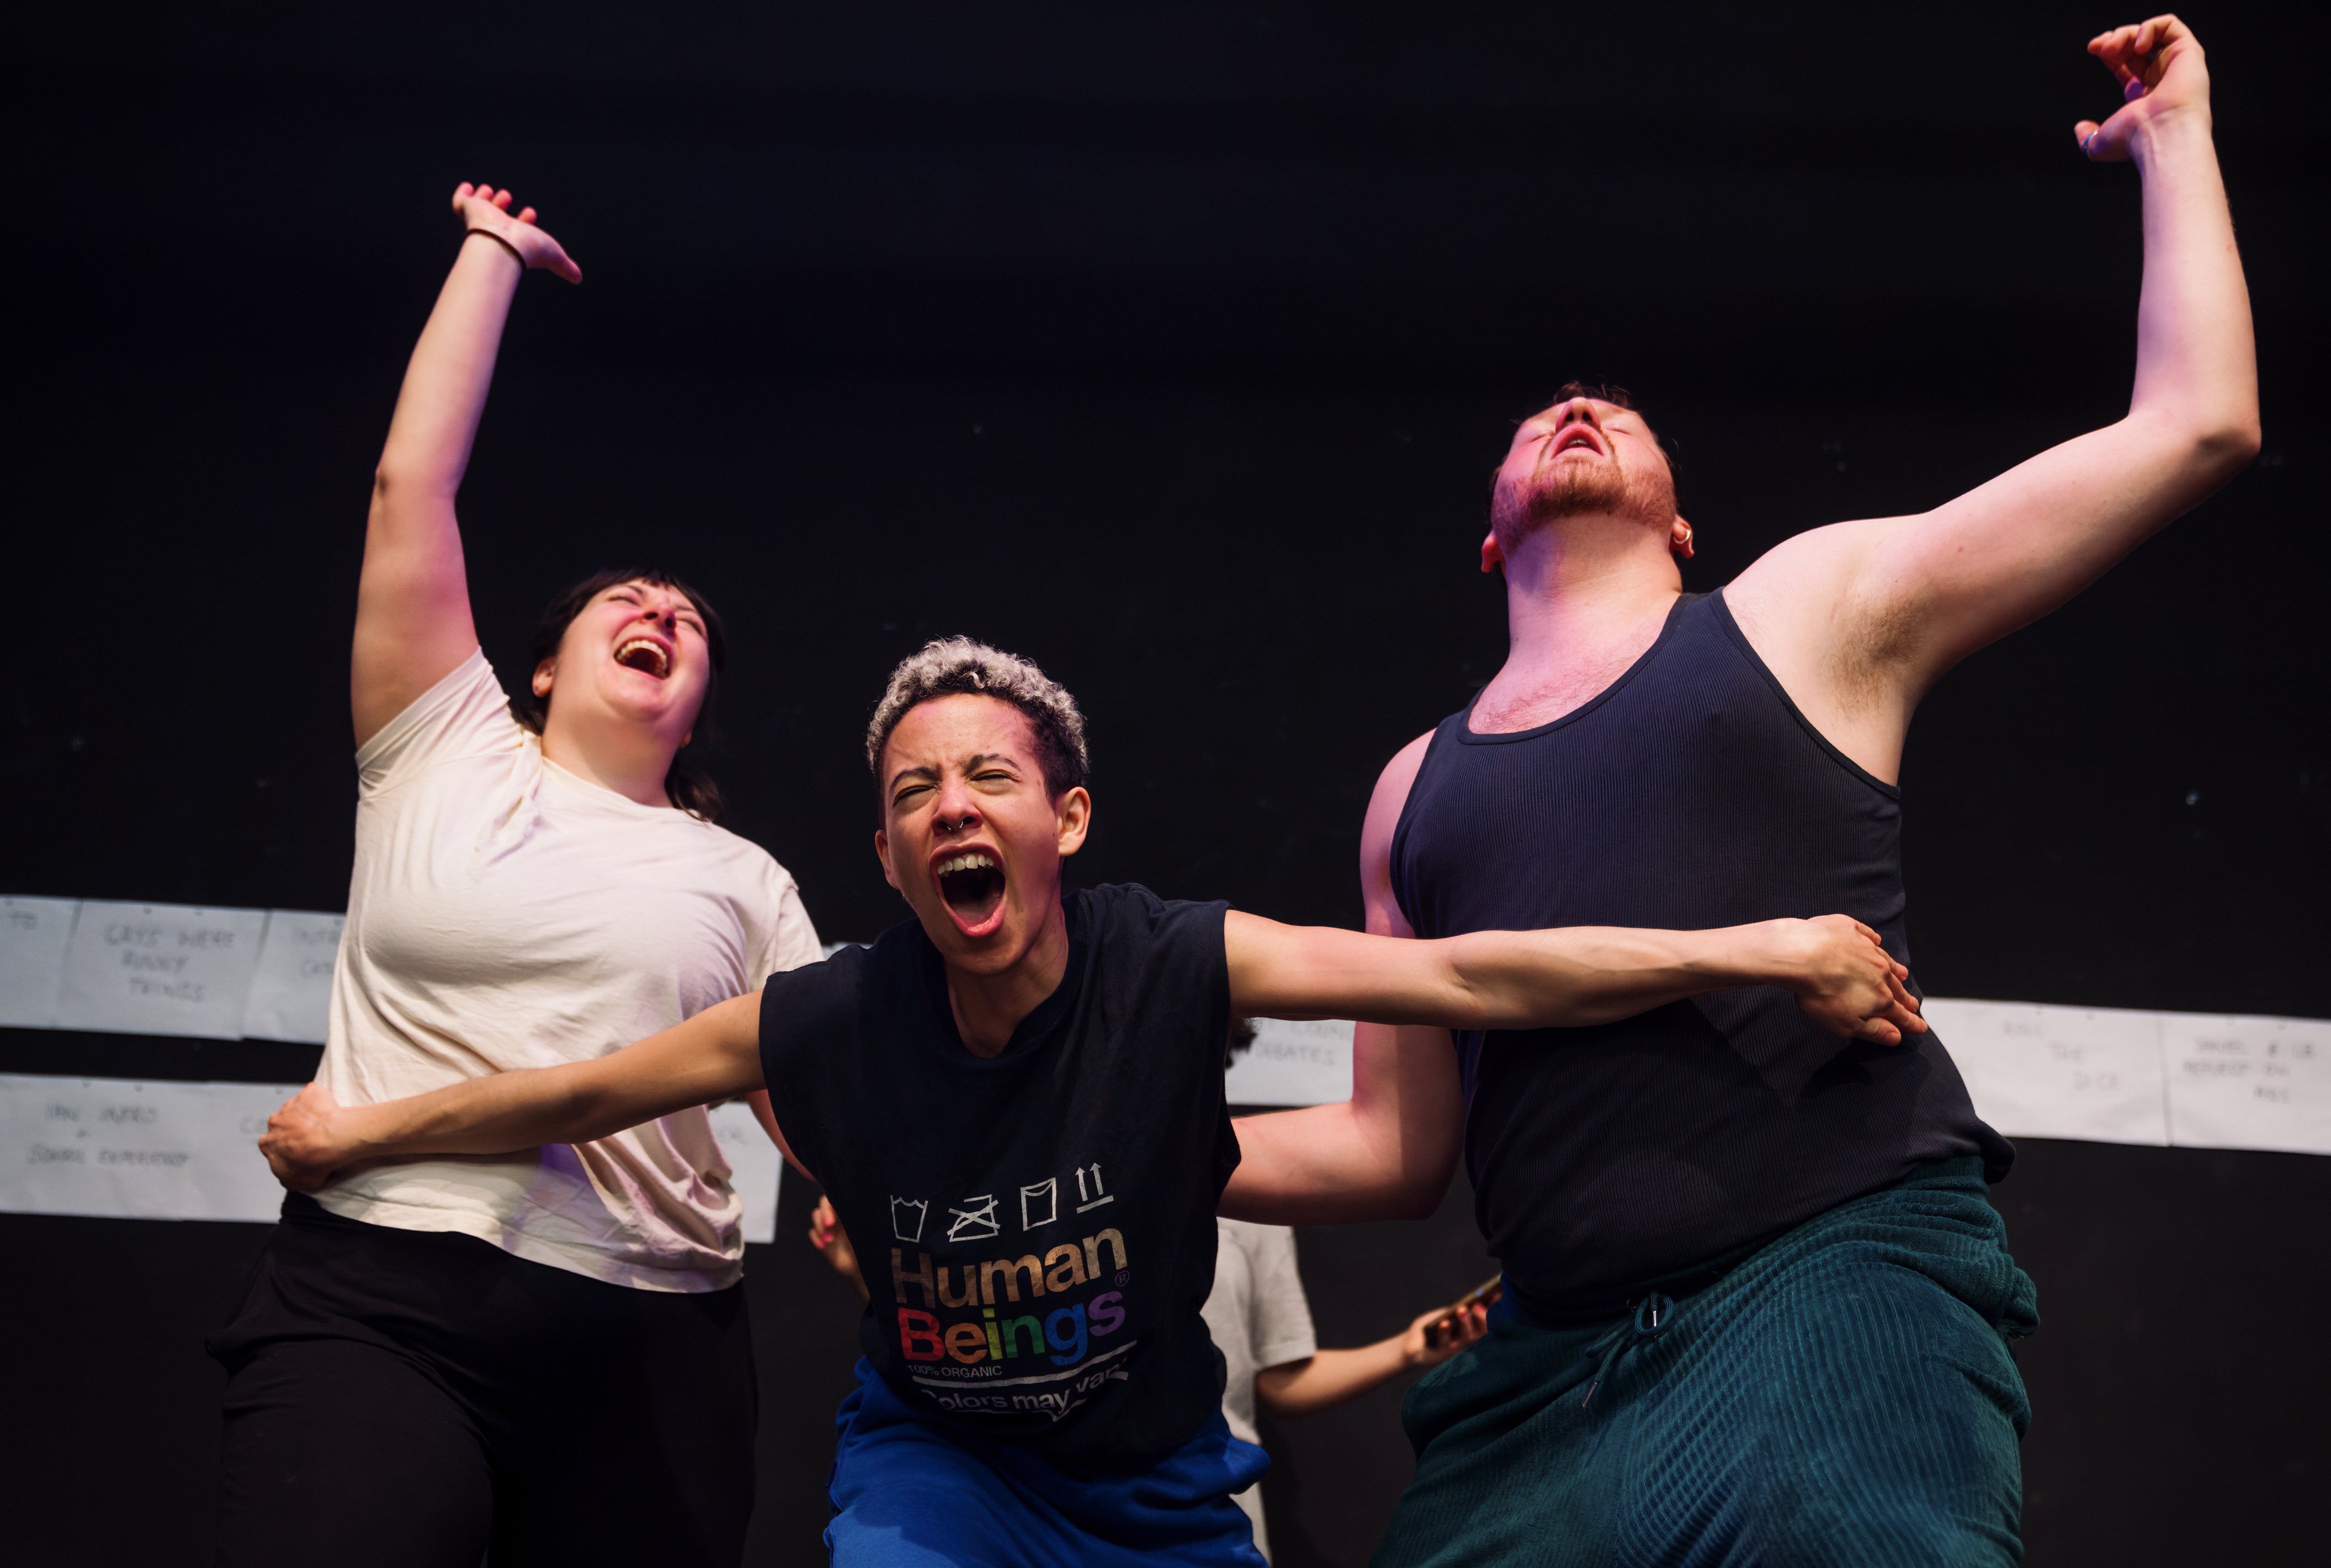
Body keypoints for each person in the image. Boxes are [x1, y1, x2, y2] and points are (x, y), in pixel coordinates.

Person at [1222, 18, 2259, 1566]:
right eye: (1537, 415)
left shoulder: (1805, 609)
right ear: (1489, 540)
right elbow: (1393, 1148)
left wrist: (2172, 137)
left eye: (1614, 411)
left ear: (1681, 521)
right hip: (1551, 1368)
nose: (1574, 408)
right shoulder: (1408, 794)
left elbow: (2191, 426)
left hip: (1825, 1273)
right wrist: (1120, 1146)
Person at [259, 636, 1926, 1568]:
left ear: (1063, 816)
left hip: (1152, 1488)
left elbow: (1478, 976)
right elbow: (576, 1086)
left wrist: (1765, 946)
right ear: (892, 856)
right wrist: (357, 1128)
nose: (948, 806)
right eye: (913, 792)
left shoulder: (1177, 964)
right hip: (942, 1469)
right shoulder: (831, 1014)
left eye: (986, 774)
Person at [208, 183, 824, 1568]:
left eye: (690, 620)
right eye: (629, 599)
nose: (662, 610)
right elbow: (409, 484)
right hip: (384, 1282)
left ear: (695, 700)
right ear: (541, 665)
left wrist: (865, 1195)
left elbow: (820, 1092)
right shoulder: (439, 743)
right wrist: (494, 253)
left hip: (657, 1328)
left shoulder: (740, 876)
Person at [800, 1024, 1495, 1564]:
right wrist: (862, 1269)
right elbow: (980, 1334)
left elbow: (1274, 1381)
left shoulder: (1256, 1194)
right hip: (1050, 1502)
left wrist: (1407, 1350)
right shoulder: (1042, 1182)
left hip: (1197, 1506)